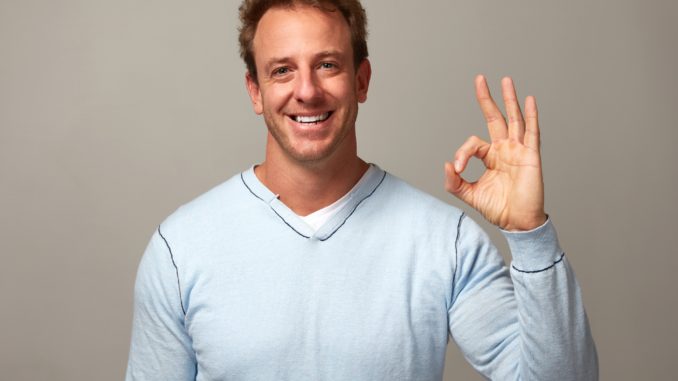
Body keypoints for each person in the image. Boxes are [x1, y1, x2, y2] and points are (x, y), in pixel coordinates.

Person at [126, 0, 598, 380]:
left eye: (327, 64)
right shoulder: (180, 247)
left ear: (362, 80)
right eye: (282, 70)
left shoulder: (445, 242)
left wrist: (530, 233)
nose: (306, 91)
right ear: (255, 91)